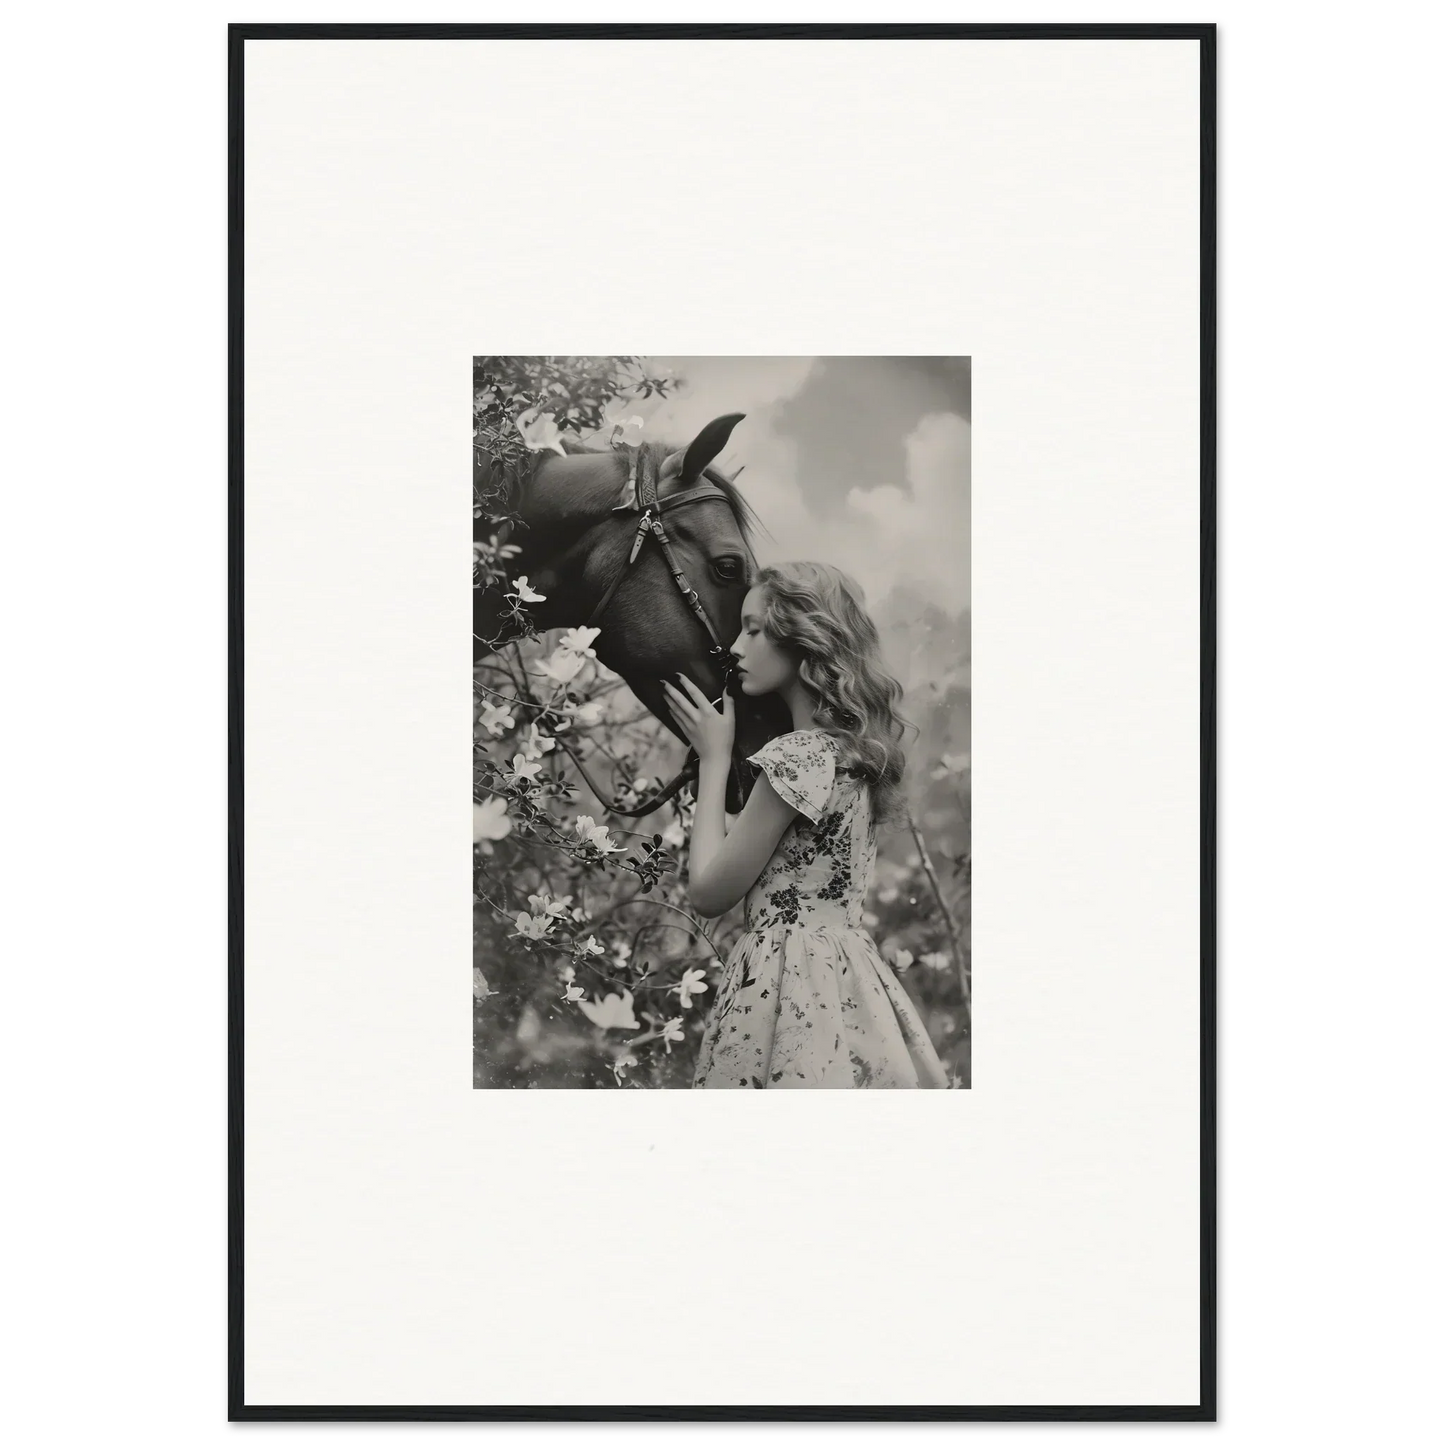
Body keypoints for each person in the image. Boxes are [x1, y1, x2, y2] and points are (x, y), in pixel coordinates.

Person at [662, 560, 951, 1089]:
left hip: (783, 983)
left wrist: (713, 758)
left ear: (803, 638)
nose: (735, 648)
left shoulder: (796, 759)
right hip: (849, 980)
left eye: (752, 629)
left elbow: (707, 893)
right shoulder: (853, 756)